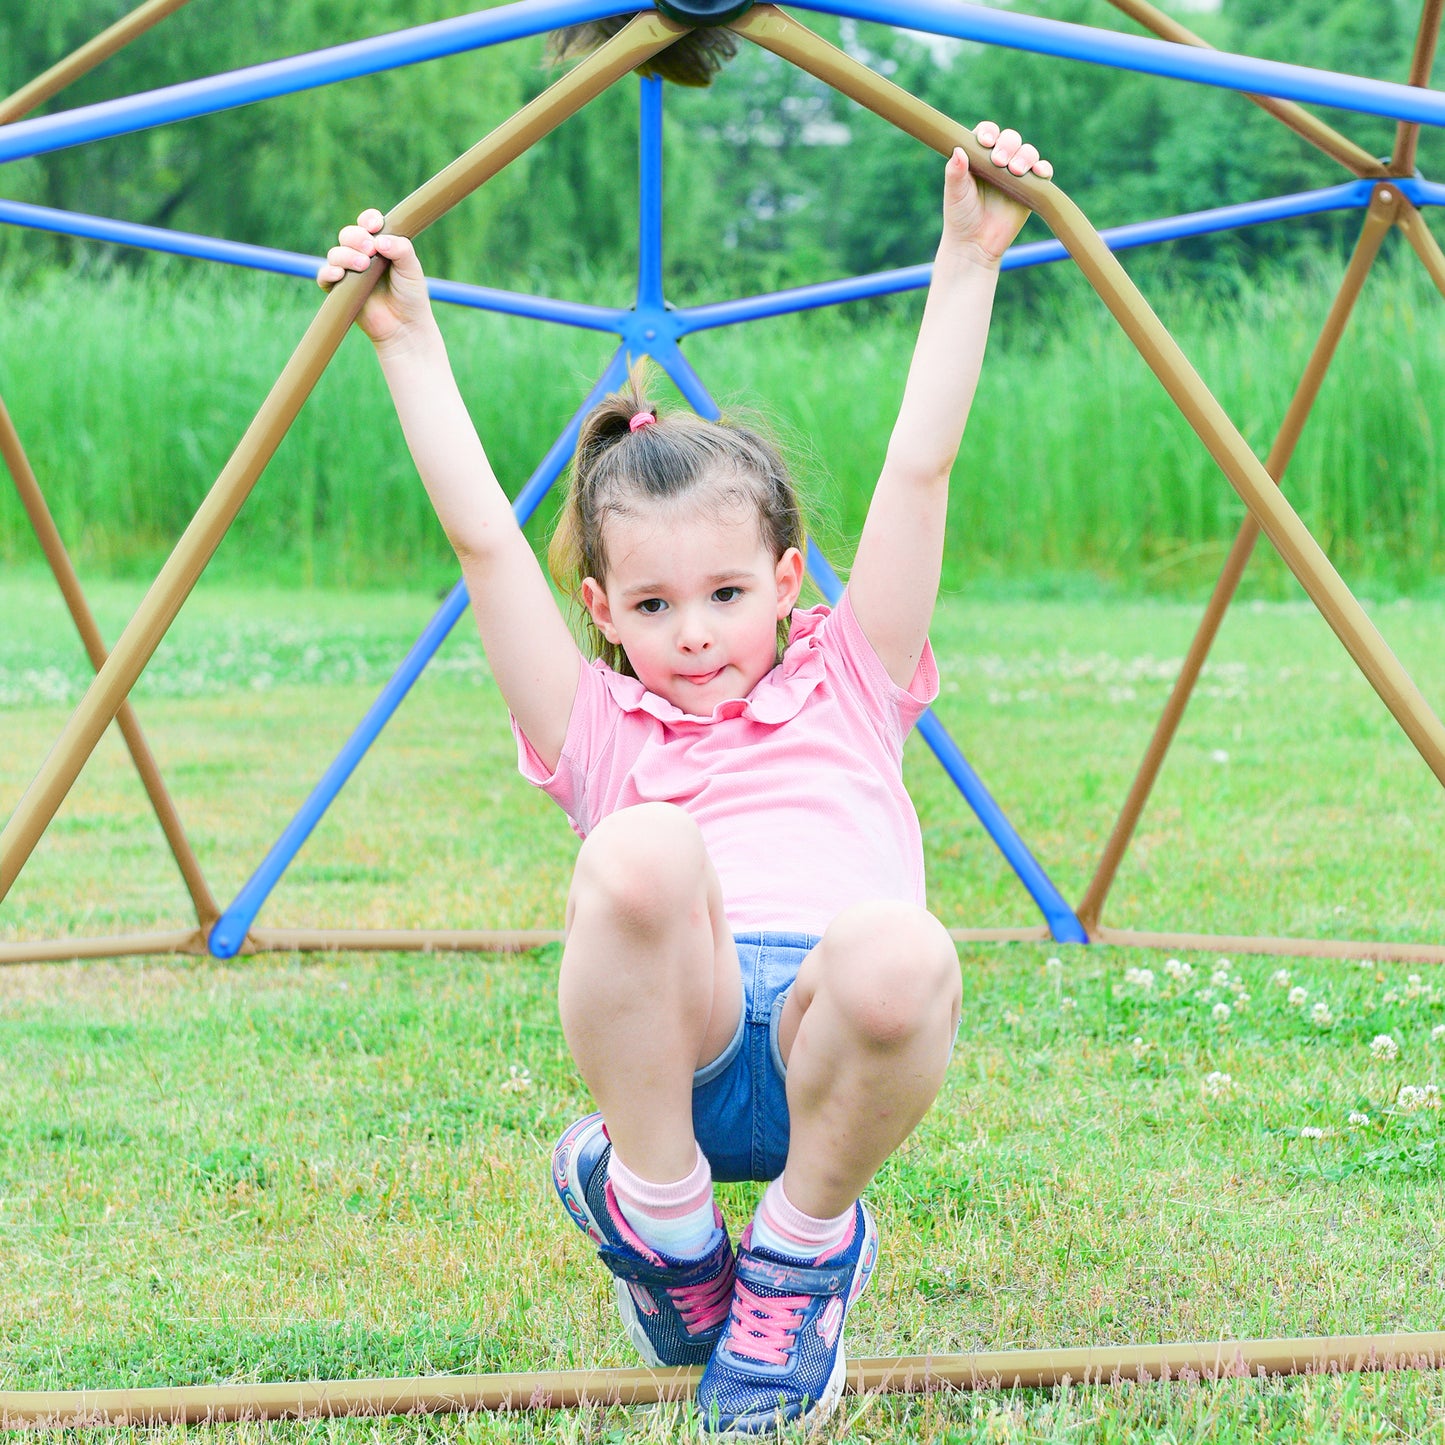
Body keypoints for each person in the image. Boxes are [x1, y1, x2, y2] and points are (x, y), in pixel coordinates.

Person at [319, 120, 1052, 1436]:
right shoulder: (600, 725)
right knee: (640, 851)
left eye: (723, 592)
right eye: (654, 604)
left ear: (784, 583)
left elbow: (918, 465)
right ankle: (657, 1214)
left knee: (903, 944)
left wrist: (969, 260)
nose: (695, 630)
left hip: (829, 1043)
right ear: (603, 611)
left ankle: (795, 1254)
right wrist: (404, 339)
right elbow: (486, 539)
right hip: (682, 1044)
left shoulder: (851, 677)